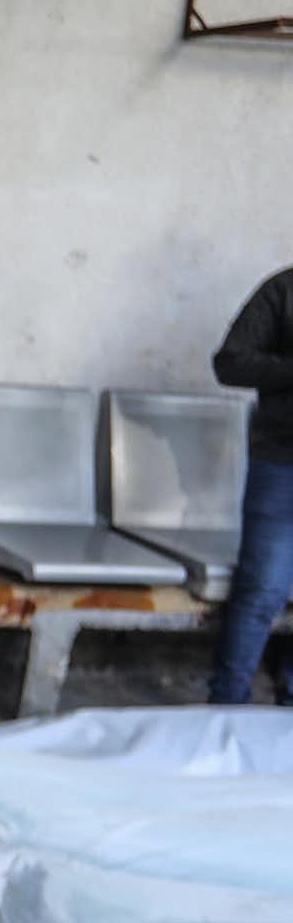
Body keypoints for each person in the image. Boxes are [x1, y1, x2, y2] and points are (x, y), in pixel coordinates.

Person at [211, 262, 293, 705]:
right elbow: (230, 363)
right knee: (263, 590)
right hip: (282, 462)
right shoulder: (283, 290)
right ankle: (226, 706)